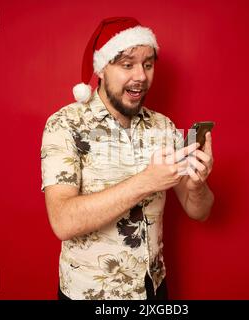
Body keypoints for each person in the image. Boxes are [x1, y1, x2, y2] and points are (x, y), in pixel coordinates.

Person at [40, 17, 215, 300]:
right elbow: (62, 221)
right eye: (127, 65)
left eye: (148, 64)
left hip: (153, 289)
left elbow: (200, 210)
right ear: (102, 68)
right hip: (89, 295)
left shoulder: (164, 127)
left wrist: (197, 185)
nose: (141, 76)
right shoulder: (64, 125)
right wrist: (146, 182)